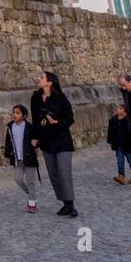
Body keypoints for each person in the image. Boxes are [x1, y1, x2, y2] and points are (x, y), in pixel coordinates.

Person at [30, 70, 78, 216]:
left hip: (62, 140)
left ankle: (71, 204)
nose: (39, 79)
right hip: (46, 141)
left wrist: (58, 123)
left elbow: (69, 118)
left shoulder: (60, 98)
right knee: (53, 174)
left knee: (64, 172)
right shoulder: (36, 98)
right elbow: (35, 120)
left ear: (50, 82)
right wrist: (35, 137)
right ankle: (64, 203)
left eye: (42, 77)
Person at [3, 104, 40, 213]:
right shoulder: (10, 127)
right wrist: (7, 154)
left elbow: (36, 139)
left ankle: (32, 204)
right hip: (17, 158)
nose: (15, 114)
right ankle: (30, 192)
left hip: (29, 158)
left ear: (24, 116)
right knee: (18, 178)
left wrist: (36, 143)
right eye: (14, 112)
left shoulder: (29, 127)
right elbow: (8, 142)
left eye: (18, 113)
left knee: (30, 181)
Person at [106, 103, 131, 185]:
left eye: (120, 108)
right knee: (119, 161)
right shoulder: (113, 120)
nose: (118, 109)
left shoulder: (128, 120)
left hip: (127, 145)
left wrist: (127, 118)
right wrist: (110, 142)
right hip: (118, 145)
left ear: (125, 111)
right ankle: (121, 176)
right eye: (118, 108)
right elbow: (110, 132)